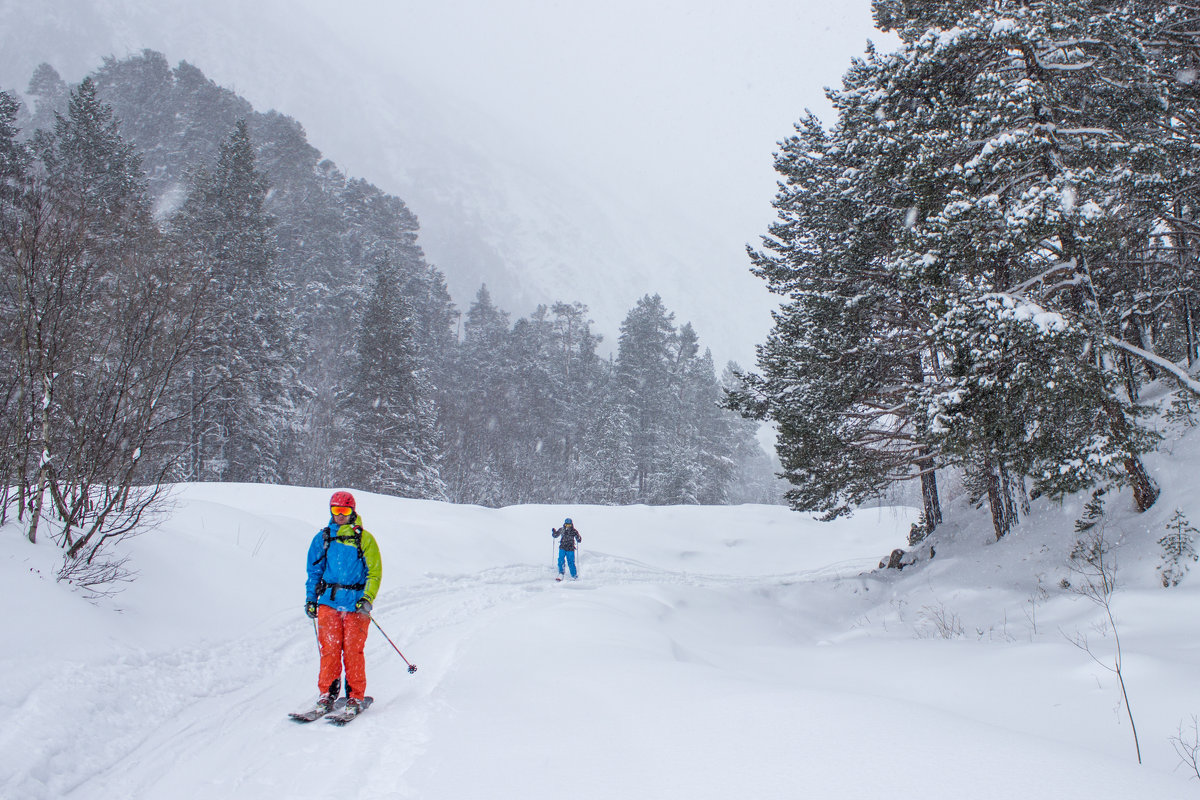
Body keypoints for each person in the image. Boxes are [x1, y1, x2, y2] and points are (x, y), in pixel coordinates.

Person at [305, 490, 382, 713]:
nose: (340, 515)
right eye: (336, 510)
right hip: (329, 602)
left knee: (352, 651)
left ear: (352, 511)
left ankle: (355, 696)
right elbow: (313, 571)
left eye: (345, 510)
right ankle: (326, 694)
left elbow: (374, 573)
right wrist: (311, 599)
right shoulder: (323, 537)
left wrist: (367, 598)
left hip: (356, 605)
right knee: (329, 650)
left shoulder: (364, 539)